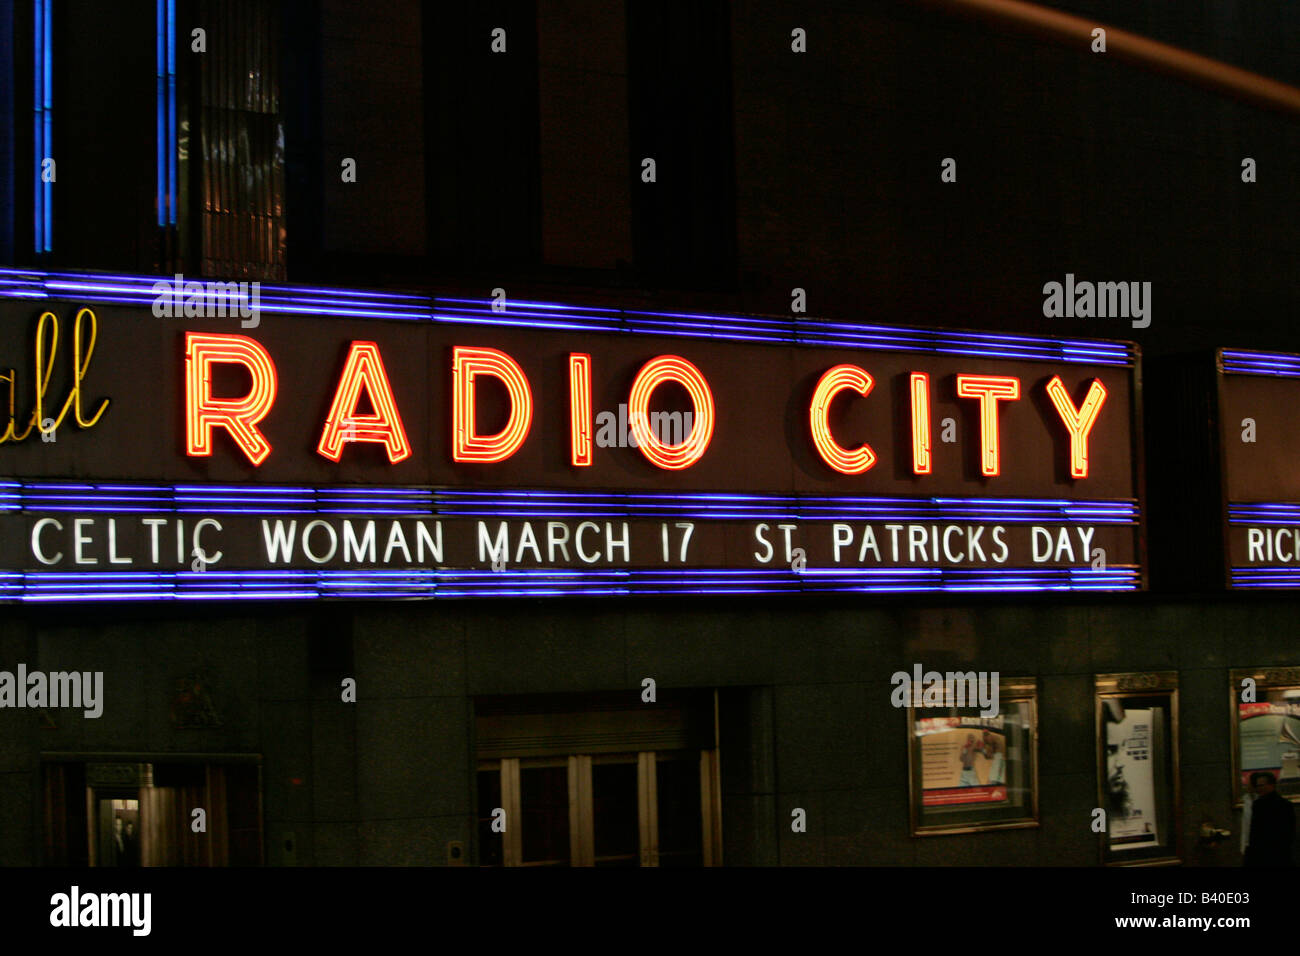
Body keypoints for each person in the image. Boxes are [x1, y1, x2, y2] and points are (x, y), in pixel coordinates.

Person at [1244, 771, 1296, 867]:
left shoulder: (1258, 805)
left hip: (1266, 853)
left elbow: (1255, 832)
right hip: (1279, 853)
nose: (1258, 788)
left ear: (1271, 785)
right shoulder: (1285, 804)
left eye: (1261, 785)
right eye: (1257, 786)